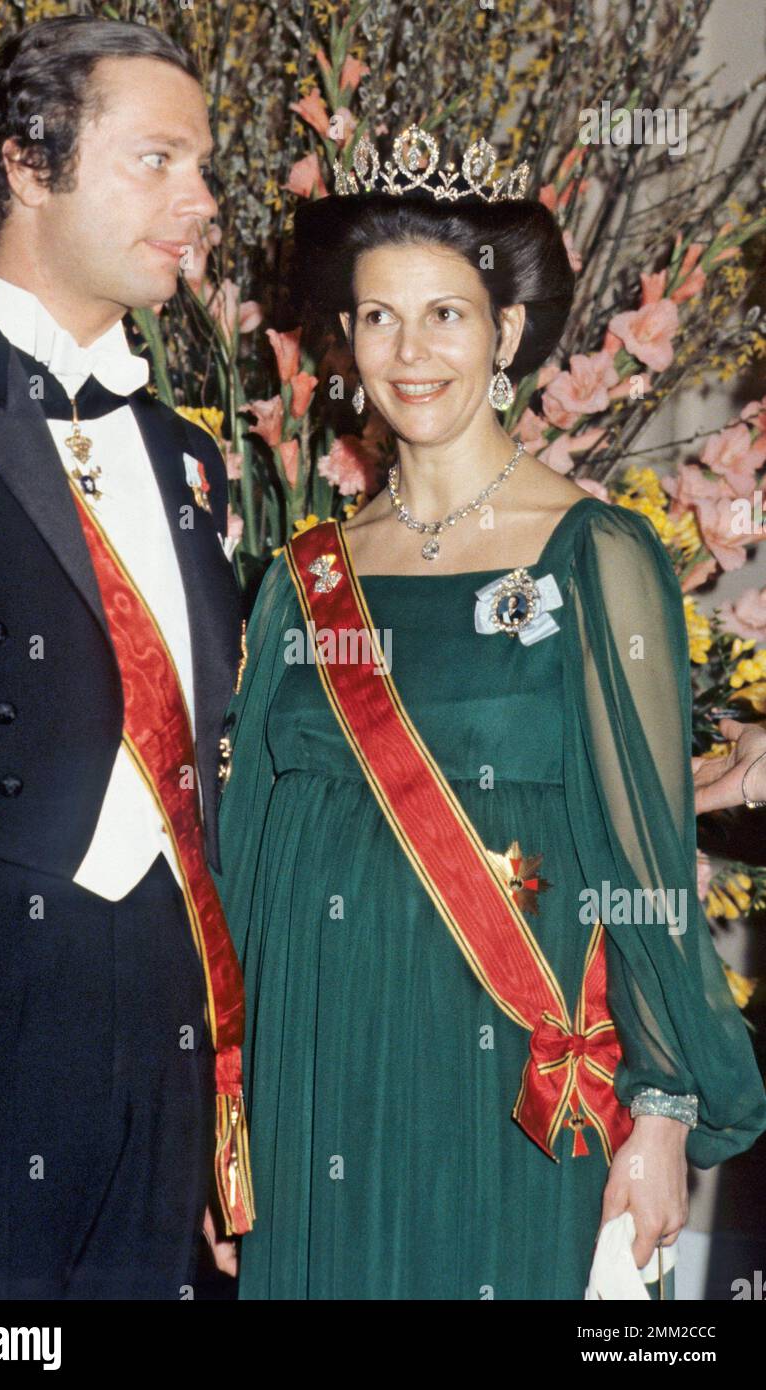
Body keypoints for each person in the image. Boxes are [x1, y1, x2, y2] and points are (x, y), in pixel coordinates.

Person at [211, 124, 766, 1299]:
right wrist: (227, 1121)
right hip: (317, 1066)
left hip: (509, 1075)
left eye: (445, 315)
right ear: (346, 339)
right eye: (377, 316)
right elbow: (245, 864)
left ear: (507, 332)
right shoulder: (301, 573)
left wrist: (661, 1113)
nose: (409, 352)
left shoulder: (595, 554)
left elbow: (647, 862)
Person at [0, 17, 250, 1298]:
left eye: (204, 168)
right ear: (29, 166)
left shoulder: (186, 458)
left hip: (164, 1004)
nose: (202, 202)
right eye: (158, 160)